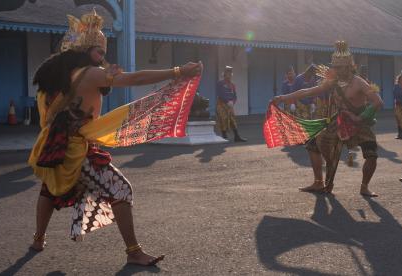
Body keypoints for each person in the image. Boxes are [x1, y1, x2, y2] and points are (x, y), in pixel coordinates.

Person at [28, 10, 202, 266]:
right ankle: (133, 251)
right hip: (75, 149)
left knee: (49, 189)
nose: (103, 57)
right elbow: (135, 78)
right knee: (121, 189)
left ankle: (38, 239)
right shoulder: (89, 73)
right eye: (99, 52)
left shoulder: (59, 76)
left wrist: (106, 75)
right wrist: (178, 72)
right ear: (85, 50)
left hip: (53, 146)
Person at [273, 41, 383, 197]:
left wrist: (359, 118)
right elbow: (308, 91)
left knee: (371, 155)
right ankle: (319, 182)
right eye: (335, 67)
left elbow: (378, 102)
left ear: (348, 66)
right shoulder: (332, 82)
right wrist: (283, 97)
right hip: (339, 121)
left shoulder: (359, 82)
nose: (336, 70)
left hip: (359, 122)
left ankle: (364, 187)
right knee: (312, 145)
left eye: (339, 67)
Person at [216, 66, 247, 142]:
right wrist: (227, 101)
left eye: (230, 73)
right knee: (223, 119)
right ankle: (224, 136)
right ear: (224, 74)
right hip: (221, 104)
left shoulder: (233, 85)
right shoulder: (220, 83)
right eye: (227, 73)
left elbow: (235, 96)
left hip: (230, 105)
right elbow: (220, 94)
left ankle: (237, 136)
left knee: (233, 120)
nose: (229, 75)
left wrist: (233, 102)